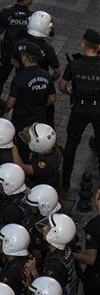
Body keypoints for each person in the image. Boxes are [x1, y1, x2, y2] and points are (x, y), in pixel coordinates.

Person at [59, 29, 100, 189]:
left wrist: (70, 92)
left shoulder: (73, 63)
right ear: (98, 47)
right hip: (98, 109)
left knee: (72, 142)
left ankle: (66, 180)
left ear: (83, 44)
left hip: (79, 108)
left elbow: (62, 86)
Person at [0, 0, 36, 98]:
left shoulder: (6, 12)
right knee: (20, 82)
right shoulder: (33, 17)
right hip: (24, 56)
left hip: (7, 53)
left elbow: (0, 31)